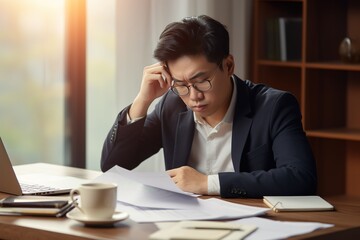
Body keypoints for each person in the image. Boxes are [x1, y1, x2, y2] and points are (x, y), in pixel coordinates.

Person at [101, 15, 317, 198]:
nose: (194, 96)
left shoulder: (274, 107)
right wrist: (143, 100)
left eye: (202, 81)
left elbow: (300, 177)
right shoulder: (173, 104)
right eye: (182, 84)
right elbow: (113, 166)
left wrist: (207, 183)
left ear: (229, 65)